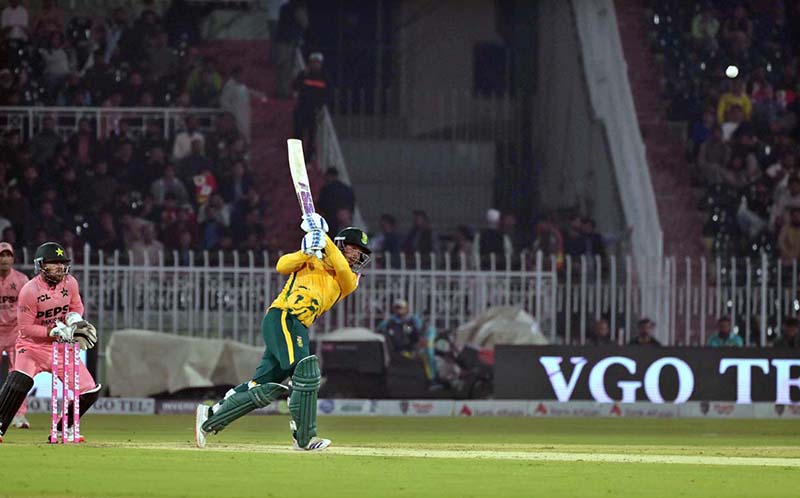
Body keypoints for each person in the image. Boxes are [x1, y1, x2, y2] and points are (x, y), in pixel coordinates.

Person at [195, 216, 372, 451]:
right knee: (305, 371)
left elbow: (340, 266)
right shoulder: (312, 258)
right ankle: (304, 437)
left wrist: (323, 238)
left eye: (361, 252)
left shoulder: (349, 279)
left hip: (298, 326)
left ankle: (209, 418)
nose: (357, 255)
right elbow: (281, 265)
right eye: (353, 248)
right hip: (283, 317)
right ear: (341, 244)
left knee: (262, 385)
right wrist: (306, 251)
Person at [0, 242, 99, 443]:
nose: (60, 268)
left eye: (62, 263)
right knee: (20, 380)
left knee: (89, 390)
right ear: (41, 265)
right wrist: (53, 330)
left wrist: (74, 320)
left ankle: (64, 428)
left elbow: (77, 306)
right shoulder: (29, 290)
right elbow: (25, 328)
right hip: (32, 347)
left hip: (61, 347)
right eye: (54, 263)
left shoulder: (70, 283)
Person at [0, 242, 29, 429]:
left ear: (13, 258)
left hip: (15, 332)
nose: (4, 259)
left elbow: (29, 307)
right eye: (1, 255)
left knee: (19, 373)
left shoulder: (21, 280)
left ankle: (19, 414)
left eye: (8, 255)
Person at [376, 298, 438, 385]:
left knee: (428, 354)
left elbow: (423, 331)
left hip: (414, 348)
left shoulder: (413, 320)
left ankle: (432, 379)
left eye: (401, 307)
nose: (399, 310)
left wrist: (423, 340)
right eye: (397, 308)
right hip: (400, 351)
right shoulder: (389, 322)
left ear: (406, 308)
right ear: (394, 309)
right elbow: (378, 330)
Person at [292, 52, 328, 161]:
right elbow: (294, 86)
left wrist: (320, 108)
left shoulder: (324, 78)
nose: (316, 65)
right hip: (301, 109)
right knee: (297, 135)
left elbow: (326, 95)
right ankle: (296, 160)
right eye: (314, 62)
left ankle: (308, 160)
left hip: (314, 112)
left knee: (311, 137)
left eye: (318, 62)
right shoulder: (304, 75)